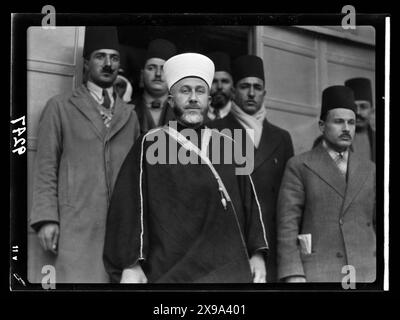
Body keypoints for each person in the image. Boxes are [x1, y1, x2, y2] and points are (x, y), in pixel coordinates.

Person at [103, 53, 269, 283]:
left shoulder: (231, 145)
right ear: (171, 100)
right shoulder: (151, 143)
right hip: (170, 272)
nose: (193, 98)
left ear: (209, 100)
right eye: (185, 91)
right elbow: (131, 208)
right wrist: (133, 265)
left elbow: (252, 205)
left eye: (200, 91)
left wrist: (258, 254)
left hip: (227, 272)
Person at [29, 26, 141, 283]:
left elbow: (138, 177)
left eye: (114, 58)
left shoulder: (130, 116)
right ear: (86, 62)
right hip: (76, 226)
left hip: (120, 230)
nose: (108, 64)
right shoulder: (61, 107)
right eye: (100, 56)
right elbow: (46, 165)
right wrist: (47, 218)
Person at [277, 85, 376, 283]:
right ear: (322, 126)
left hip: (366, 271)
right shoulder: (300, 165)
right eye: (339, 122)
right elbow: (287, 225)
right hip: (319, 272)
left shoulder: (370, 169)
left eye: (351, 122)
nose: (346, 128)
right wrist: (293, 274)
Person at [209, 55, 294, 282]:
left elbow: (288, 203)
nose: (251, 93)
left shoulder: (281, 138)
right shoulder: (213, 131)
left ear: (265, 93)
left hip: (270, 247)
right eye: (245, 86)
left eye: (257, 87)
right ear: (234, 91)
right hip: (227, 244)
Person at [132, 38, 177, 134]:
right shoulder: (128, 110)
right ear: (142, 74)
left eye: (164, 69)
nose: (158, 74)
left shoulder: (181, 112)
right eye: (151, 68)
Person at [345, 77, 375, 162]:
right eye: (353, 107)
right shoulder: (329, 141)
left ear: (371, 111)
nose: (357, 112)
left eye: (363, 107)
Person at [205, 51, 234, 122]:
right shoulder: (196, 115)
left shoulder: (241, 118)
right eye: (214, 81)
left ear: (232, 86)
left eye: (225, 81)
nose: (219, 87)